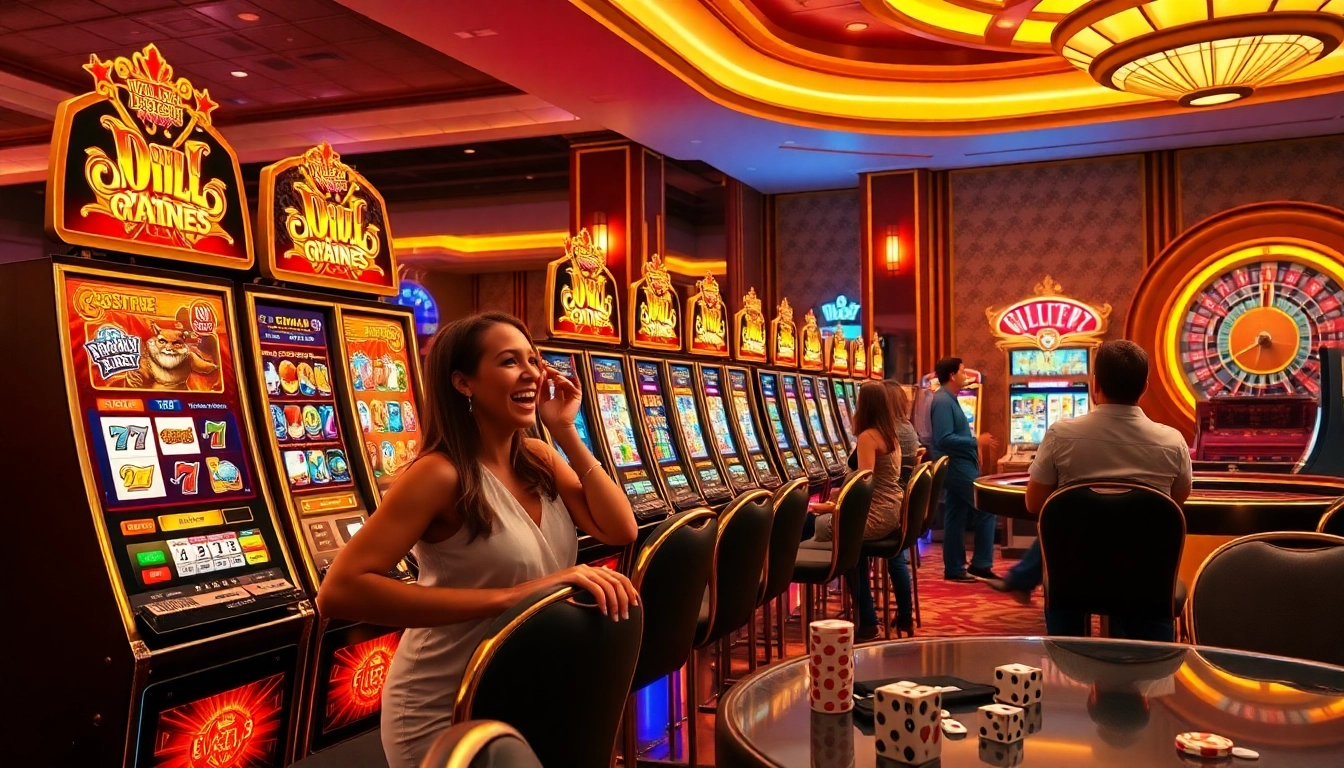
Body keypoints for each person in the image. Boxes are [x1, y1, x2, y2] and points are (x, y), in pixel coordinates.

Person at [316, 312, 640, 768]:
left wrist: (565, 429)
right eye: (510, 362)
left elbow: (619, 529)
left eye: (534, 359)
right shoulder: (438, 474)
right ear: (464, 383)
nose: (532, 372)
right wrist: (511, 597)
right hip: (445, 705)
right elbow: (339, 591)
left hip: (521, 688)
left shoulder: (539, 457)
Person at [986, 340, 1192, 641]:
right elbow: (1176, 501)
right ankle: (1148, 673)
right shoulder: (1172, 441)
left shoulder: (1060, 435)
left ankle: (1067, 673)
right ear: (1144, 387)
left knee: (1065, 577)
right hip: (1144, 582)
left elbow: (1034, 503)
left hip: (1073, 581)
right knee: (1145, 636)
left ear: (1094, 384)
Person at [805, 381, 904, 640]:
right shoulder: (890, 433)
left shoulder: (868, 437)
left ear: (864, 406)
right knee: (851, 545)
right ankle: (866, 619)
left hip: (874, 514)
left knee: (803, 523)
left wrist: (832, 506)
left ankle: (771, 588)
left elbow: (864, 486)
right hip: (889, 510)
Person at [928, 357, 1000, 582]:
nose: (965, 375)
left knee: (955, 515)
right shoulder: (942, 401)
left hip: (960, 463)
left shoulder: (950, 398)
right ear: (952, 375)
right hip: (956, 465)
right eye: (961, 371)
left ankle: (955, 568)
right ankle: (980, 564)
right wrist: (976, 441)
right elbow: (944, 438)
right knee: (986, 508)